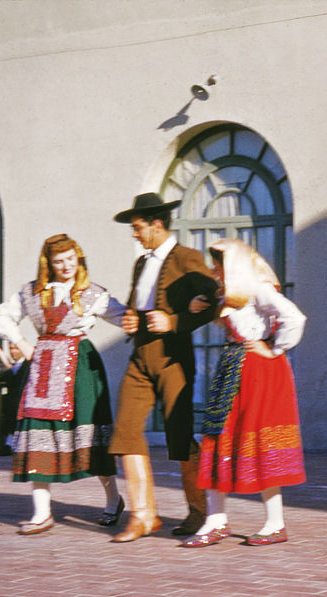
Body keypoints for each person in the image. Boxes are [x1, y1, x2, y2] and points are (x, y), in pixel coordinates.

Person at [0, 234, 126, 534]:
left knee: (91, 435)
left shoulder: (92, 294)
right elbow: (2, 316)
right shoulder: (32, 292)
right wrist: (21, 343)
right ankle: (42, 513)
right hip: (43, 369)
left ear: (78, 259)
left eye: (70, 259)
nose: (66, 266)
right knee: (39, 431)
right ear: (48, 264)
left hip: (82, 368)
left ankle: (113, 499)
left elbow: (124, 317)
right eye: (58, 261)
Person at [180, 238, 306, 547]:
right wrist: (202, 303)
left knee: (261, 439)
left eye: (219, 264)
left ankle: (275, 523)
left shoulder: (258, 288)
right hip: (234, 367)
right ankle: (216, 520)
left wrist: (275, 349)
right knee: (218, 436)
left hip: (259, 371)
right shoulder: (229, 294)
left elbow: (294, 317)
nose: (215, 270)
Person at [108, 193, 219, 542]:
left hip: (173, 358)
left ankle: (200, 512)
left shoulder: (187, 257)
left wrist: (174, 321)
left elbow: (216, 300)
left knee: (179, 434)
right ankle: (143, 516)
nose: (134, 234)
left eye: (138, 227)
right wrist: (130, 319)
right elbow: (137, 305)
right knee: (125, 430)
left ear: (157, 225)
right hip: (140, 356)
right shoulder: (141, 263)